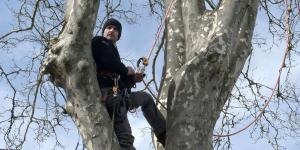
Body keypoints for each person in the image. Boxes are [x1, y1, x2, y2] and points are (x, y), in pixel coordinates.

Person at [91, 18, 166, 150]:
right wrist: (126, 70)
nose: (112, 30)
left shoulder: (114, 52)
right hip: (109, 94)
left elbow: (120, 84)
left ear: (118, 35)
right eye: (109, 28)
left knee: (146, 98)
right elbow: (106, 61)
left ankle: (164, 134)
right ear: (104, 31)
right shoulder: (99, 42)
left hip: (118, 93)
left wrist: (132, 79)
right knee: (125, 139)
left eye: (115, 29)